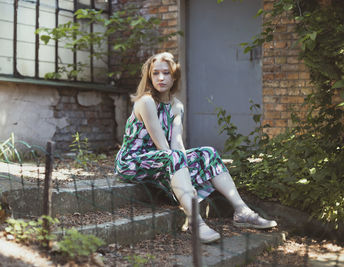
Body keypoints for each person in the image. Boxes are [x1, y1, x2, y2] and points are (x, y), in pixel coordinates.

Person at [115, 52, 276, 243]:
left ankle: (242, 210)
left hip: (161, 158)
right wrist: (183, 169)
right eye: (155, 73)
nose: (160, 78)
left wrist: (185, 166)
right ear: (149, 77)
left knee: (208, 153)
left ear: (174, 76)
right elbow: (162, 145)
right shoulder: (146, 102)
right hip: (133, 161)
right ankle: (195, 222)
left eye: (166, 73)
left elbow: (177, 143)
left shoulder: (177, 106)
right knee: (174, 158)